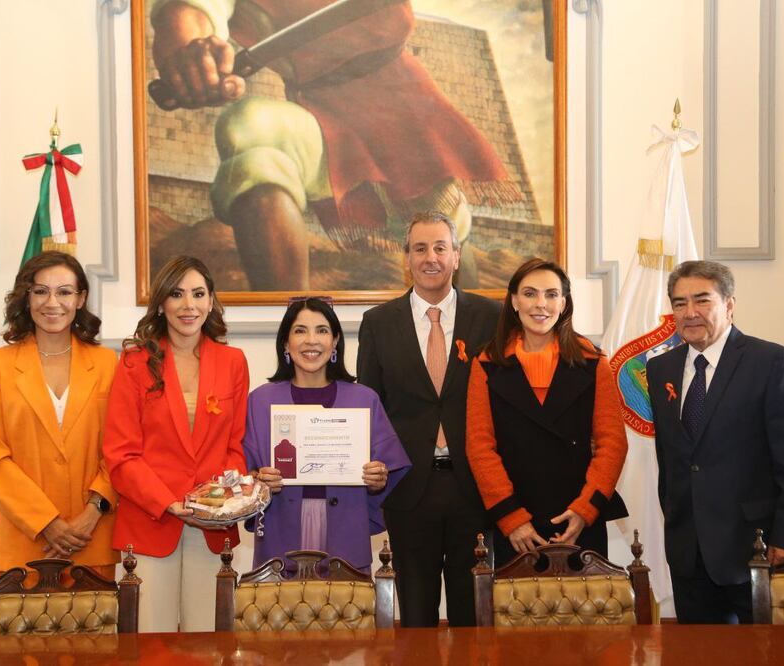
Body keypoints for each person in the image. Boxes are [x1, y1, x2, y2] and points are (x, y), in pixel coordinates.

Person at [147, 0, 511, 290]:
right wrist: (191, 53)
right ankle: (288, 322)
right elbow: (190, 12)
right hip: (322, 120)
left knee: (442, 225)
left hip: (405, 113)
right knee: (249, 126)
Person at [647, 260, 784, 624]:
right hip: (688, 550)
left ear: (729, 304)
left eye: (702, 300)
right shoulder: (660, 369)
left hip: (756, 548)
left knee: (765, 650)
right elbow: (670, 455)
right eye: (679, 303)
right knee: (699, 650)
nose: (690, 312)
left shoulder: (771, 362)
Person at [357, 211, 500, 627]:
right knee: (416, 618)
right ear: (407, 258)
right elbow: (371, 407)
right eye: (420, 248)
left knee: (472, 617)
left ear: (457, 255)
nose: (430, 257)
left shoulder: (490, 318)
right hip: (408, 489)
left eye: (440, 247)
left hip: (473, 486)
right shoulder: (378, 323)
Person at [103, 255, 249, 632]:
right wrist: (169, 503)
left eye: (198, 294)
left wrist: (216, 502)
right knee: (151, 643)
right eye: (177, 294)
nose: (189, 305)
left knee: (208, 642)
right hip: (150, 520)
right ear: (161, 304)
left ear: (211, 301)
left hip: (211, 524)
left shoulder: (233, 362)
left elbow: (235, 446)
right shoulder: (134, 363)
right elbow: (121, 455)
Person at [465, 258, 628, 568]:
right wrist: (511, 518)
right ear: (514, 301)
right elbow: (479, 447)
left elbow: (613, 444)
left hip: (579, 519)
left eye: (551, 294)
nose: (541, 304)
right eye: (530, 293)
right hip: (516, 524)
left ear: (563, 303)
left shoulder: (593, 361)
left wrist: (585, 511)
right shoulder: (486, 363)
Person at [0, 251, 118, 583]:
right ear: (26, 297)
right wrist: (47, 523)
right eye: (41, 291)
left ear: (80, 298)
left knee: (95, 621)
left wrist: (92, 513)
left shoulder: (107, 363)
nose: (52, 302)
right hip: (23, 541)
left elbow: (118, 449)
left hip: (90, 538)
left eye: (64, 292)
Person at [242, 297, 411, 571]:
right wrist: (259, 482)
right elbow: (243, 474)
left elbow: (389, 470)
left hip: (345, 525)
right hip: (281, 525)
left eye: (322, 330)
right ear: (285, 343)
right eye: (300, 330)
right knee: (281, 600)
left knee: (345, 600)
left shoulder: (364, 399)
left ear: (335, 342)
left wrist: (378, 479)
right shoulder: (260, 401)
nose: (311, 340)